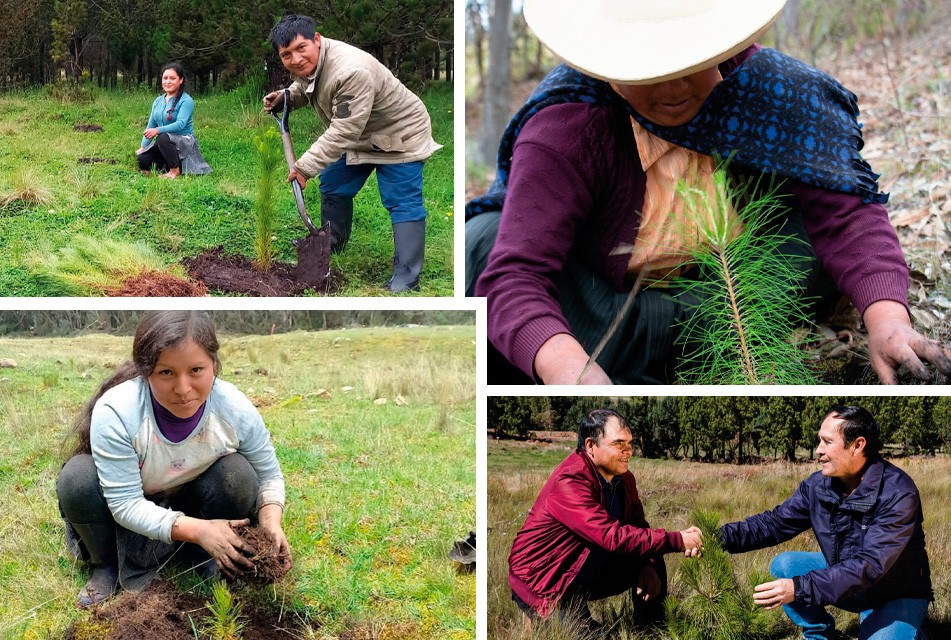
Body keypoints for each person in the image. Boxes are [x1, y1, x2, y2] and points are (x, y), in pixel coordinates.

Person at [466, 0, 951, 385]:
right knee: (482, 245)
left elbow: (847, 213)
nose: (674, 87)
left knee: (817, 246)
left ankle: (716, 339)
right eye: (648, 71)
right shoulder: (567, 127)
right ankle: (636, 353)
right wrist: (569, 370)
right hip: (607, 305)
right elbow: (517, 274)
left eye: (692, 63)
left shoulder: (774, 92)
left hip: (734, 292)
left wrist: (887, 319)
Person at [56, 311, 291, 607]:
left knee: (238, 474)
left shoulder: (235, 409)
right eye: (166, 373)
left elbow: (269, 476)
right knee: (78, 478)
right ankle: (107, 566)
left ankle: (206, 556)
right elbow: (125, 503)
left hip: (189, 499)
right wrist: (199, 530)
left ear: (214, 366)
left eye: (196, 370)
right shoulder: (118, 411)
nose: (183, 389)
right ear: (146, 372)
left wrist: (271, 524)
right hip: (126, 513)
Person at [263, 14, 443, 293]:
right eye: (286, 54)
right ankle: (331, 241)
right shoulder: (313, 63)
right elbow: (305, 84)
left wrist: (305, 166)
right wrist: (287, 96)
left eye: (301, 49)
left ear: (317, 40)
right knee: (334, 183)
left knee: (401, 199)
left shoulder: (350, 71)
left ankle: (407, 276)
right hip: (361, 133)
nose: (296, 59)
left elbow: (344, 130)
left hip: (399, 134)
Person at [719, 405, 932, 639]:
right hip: (846, 579)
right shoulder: (818, 486)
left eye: (827, 442)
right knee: (786, 565)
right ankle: (820, 634)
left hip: (895, 591)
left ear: (857, 446)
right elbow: (774, 524)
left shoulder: (897, 492)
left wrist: (799, 588)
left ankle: (906, 629)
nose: (818, 450)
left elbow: (869, 565)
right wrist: (717, 538)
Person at [508, 408, 703, 634]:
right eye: (619, 444)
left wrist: (646, 564)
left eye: (630, 444)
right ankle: (548, 620)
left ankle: (652, 631)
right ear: (591, 446)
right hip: (549, 580)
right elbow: (611, 535)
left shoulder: (625, 479)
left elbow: (638, 527)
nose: (628, 451)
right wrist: (678, 540)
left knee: (654, 557)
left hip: (586, 568)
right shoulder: (571, 480)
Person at [135, 62, 212, 178]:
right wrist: (142, 147)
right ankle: (169, 165)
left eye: (172, 78)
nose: (168, 81)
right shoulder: (158, 101)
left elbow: (180, 124)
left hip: (183, 142)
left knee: (163, 137)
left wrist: (158, 130)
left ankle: (174, 171)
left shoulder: (186, 100)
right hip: (164, 144)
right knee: (142, 159)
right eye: (165, 78)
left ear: (180, 80)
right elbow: (151, 125)